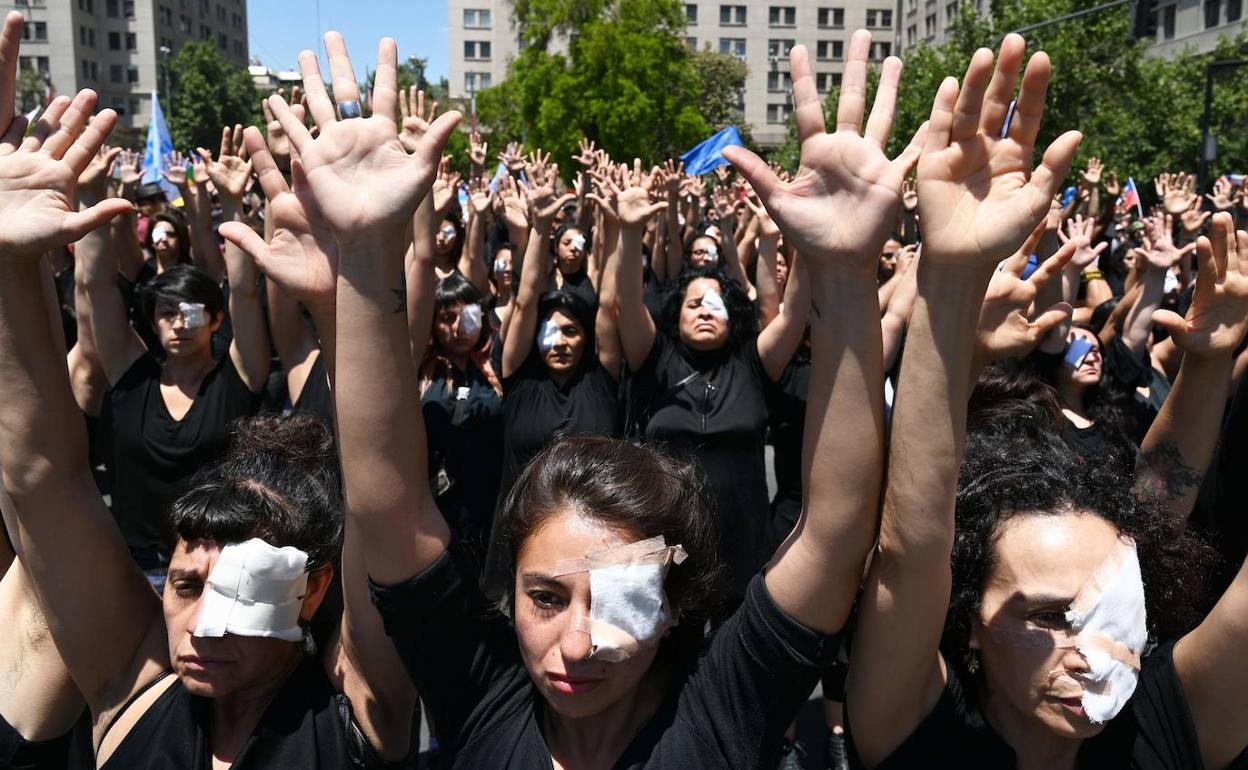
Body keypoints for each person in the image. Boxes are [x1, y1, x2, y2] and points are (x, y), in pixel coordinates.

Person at [318, 32, 910, 769]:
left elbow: (836, 532)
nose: (577, 644)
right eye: (545, 598)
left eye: (622, 599)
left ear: (672, 604)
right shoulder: (482, 693)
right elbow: (387, 503)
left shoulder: (721, 709)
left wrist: (850, 275)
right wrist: (368, 253)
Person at [0, 25, 429, 768]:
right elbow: (40, 479)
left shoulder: (358, 715)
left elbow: (383, 504)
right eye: (188, 586)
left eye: (237, 587)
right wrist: (7, 268)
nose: (199, 624)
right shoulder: (133, 691)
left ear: (312, 590)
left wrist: (362, 268)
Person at [844, 35, 1248, 770]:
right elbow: (913, 540)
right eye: (1049, 617)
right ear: (968, 622)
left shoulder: (1161, 727)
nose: (1091, 655)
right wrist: (951, 280)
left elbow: (1159, 501)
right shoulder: (916, 732)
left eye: (1110, 609)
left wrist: (1210, 364)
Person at [75, 130, 270, 578]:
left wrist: (231, 204)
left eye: (191, 312)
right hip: (131, 569)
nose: (179, 323)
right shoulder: (132, 374)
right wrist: (89, 197)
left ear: (216, 320)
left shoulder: (237, 374)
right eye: (166, 313)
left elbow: (243, 289)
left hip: (217, 568)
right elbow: (96, 286)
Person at [615, 163, 811, 600]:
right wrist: (630, 235)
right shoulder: (656, 359)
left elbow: (794, 310)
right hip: (663, 555)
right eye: (693, 304)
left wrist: (787, 234)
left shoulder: (754, 364)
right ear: (675, 315)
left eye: (715, 303)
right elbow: (626, 302)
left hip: (744, 553)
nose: (705, 310)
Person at [416, 272, 505, 560]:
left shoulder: (497, 364)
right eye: (446, 318)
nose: (457, 328)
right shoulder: (423, 370)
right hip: (437, 509)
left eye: (467, 316)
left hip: (491, 507)